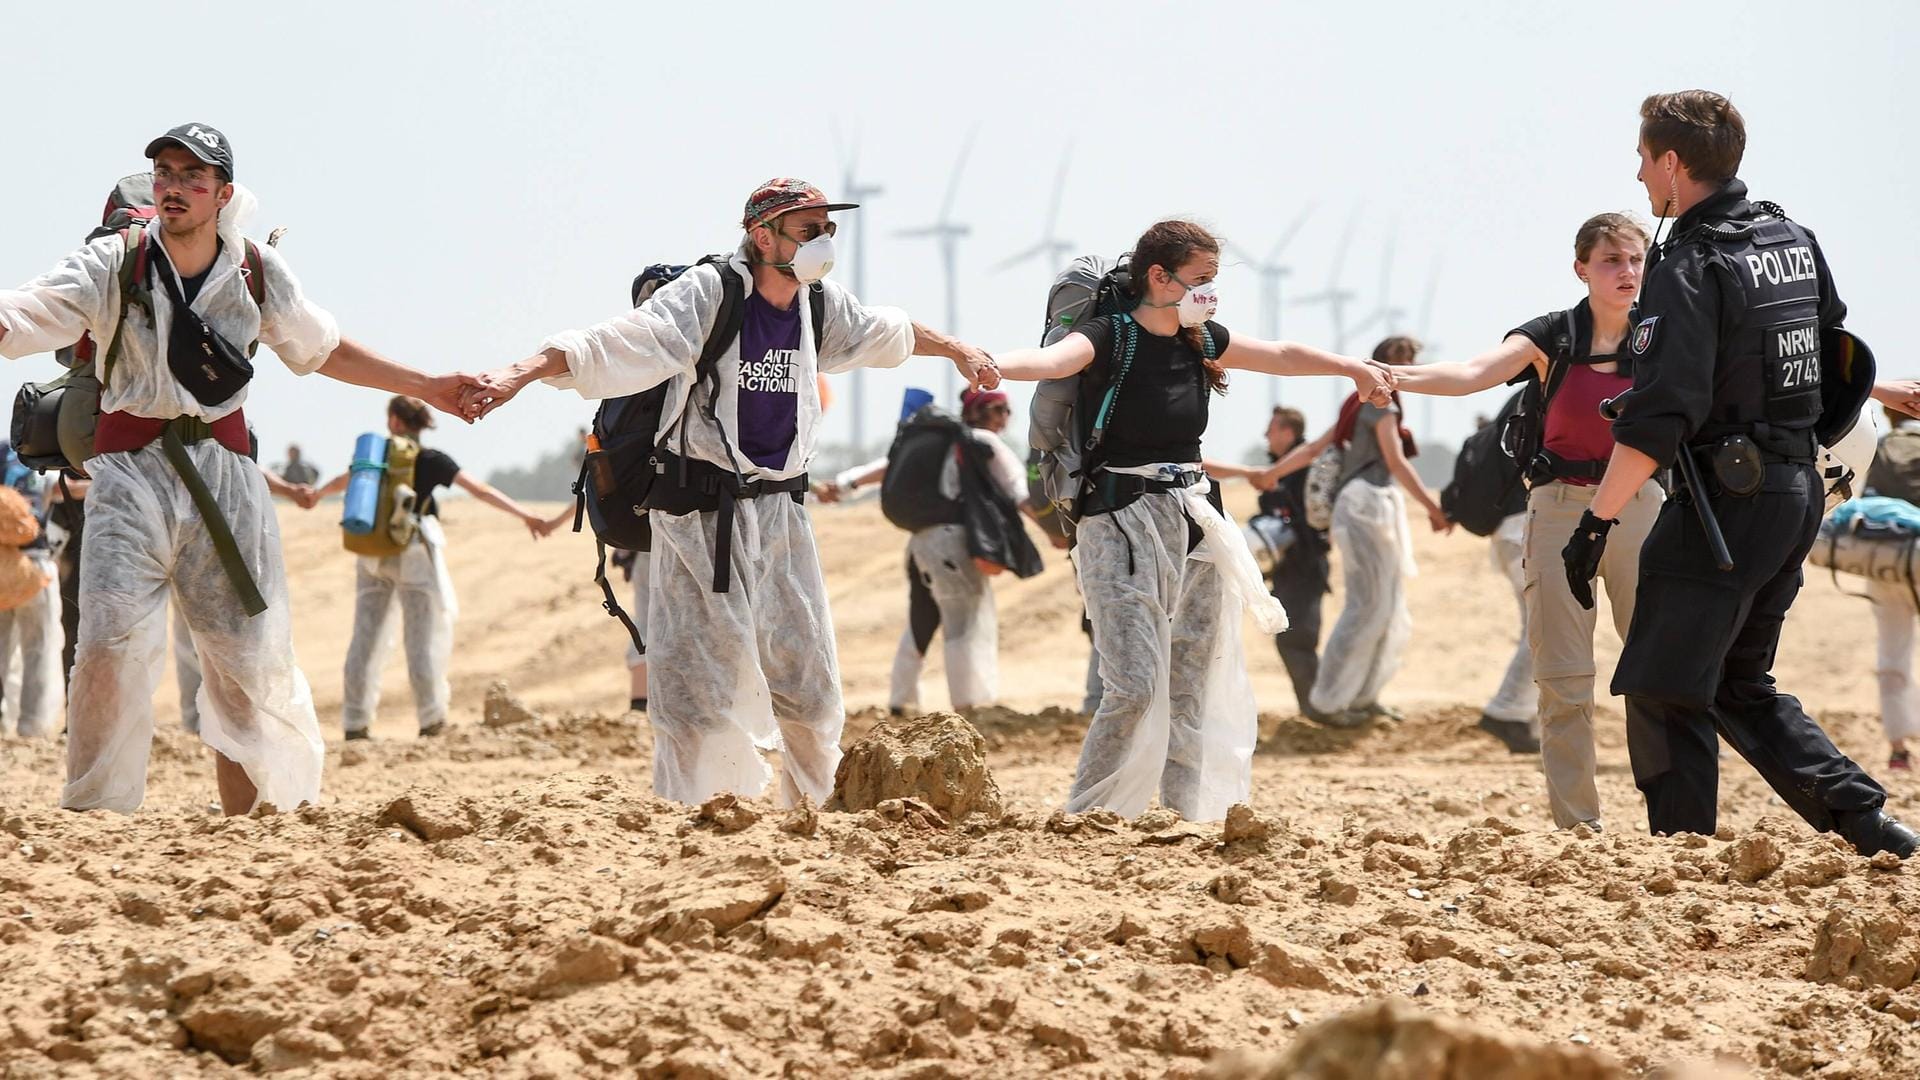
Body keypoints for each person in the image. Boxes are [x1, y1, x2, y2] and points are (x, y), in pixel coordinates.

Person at [461, 177, 997, 807]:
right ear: (761, 234)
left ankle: (812, 812)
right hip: (697, 517)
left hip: (781, 514)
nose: (822, 242)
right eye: (807, 230)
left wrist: (956, 348)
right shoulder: (710, 293)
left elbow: (888, 331)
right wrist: (519, 374)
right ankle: (696, 815)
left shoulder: (815, 304)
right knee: (696, 691)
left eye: (828, 229)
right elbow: (617, 342)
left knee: (810, 684)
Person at [0, 123, 482, 814]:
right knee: (107, 648)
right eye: (164, 172)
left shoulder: (256, 270)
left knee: (244, 664)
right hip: (128, 478)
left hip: (225, 481)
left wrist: (429, 385)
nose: (174, 186)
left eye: (191, 176)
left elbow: (324, 348)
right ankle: (97, 819)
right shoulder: (115, 263)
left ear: (222, 194)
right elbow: (32, 309)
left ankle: (255, 824)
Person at [1563, 90, 1913, 856]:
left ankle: (1679, 853)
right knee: (1735, 682)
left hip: (1726, 506)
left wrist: (1596, 523)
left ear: (1672, 163)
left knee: (1660, 678)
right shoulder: (1791, 236)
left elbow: (1664, 415)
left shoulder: (1691, 260)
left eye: (1643, 159)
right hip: (1793, 492)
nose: (1638, 176)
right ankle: (1871, 826)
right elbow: (1840, 356)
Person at [990, 219, 1394, 820]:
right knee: (1133, 685)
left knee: (1191, 684)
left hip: (1197, 518)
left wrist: (1350, 367)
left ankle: (1188, 815)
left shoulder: (1197, 338)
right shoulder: (1113, 334)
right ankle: (1092, 816)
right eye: (1200, 279)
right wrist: (989, 364)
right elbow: (1052, 362)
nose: (1209, 292)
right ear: (1160, 277)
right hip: (1120, 519)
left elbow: (1280, 355)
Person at [1393, 212, 1660, 828]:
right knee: (1564, 678)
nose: (1626, 272)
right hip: (1559, 509)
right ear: (1582, 269)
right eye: (1611, 261)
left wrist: (1874, 389)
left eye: (1635, 259)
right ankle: (1578, 829)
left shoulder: (1668, 335)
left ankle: (1671, 823)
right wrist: (1389, 376)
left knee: (1656, 671)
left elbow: (1750, 379)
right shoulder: (1554, 335)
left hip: (1642, 507)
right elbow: (1470, 375)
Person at [309, 395, 556, 739]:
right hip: (412, 553)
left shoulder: (376, 456)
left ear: (395, 421)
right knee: (421, 641)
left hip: (370, 555)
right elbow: (479, 490)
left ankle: (355, 724)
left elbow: (344, 481)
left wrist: (315, 495)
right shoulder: (432, 459)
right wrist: (526, 515)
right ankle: (431, 719)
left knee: (364, 640)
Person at [818, 386, 1032, 713]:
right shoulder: (982, 443)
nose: (1005, 418)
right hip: (953, 544)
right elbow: (1019, 491)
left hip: (920, 543)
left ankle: (901, 702)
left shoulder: (941, 440)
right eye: (1000, 410)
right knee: (965, 623)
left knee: (922, 618)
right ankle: (971, 706)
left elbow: (888, 465)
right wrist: (1056, 526)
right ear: (983, 412)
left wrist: (845, 485)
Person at [1304, 337, 1449, 727]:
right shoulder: (1381, 402)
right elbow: (1396, 462)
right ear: (1391, 361)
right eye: (1407, 359)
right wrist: (1434, 508)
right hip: (1367, 503)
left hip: (1367, 503)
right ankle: (1329, 703)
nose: (1412, 368)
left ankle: (1363, 696)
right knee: (1369, 606)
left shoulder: (1357, 401)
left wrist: (1267, 474)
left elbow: (1314, 448)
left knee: (1386, 606)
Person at [1209, 407, 1333, 722]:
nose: (1266, 436)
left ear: (1288, 432)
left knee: (1296, 637)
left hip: (1305, 567)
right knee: (1293, 637)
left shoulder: (1305, 467)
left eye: (1271, 429)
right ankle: (1317, 706)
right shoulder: (1283, 470)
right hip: (1290, 568)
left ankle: (1319, 708)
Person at [0, 446, 63, 738]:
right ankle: (32, 728)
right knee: (39, 650)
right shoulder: (44, 460)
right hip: (37, 566)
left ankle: (3, 725)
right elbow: (69, 491)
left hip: (4, 567)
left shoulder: (3, 457)